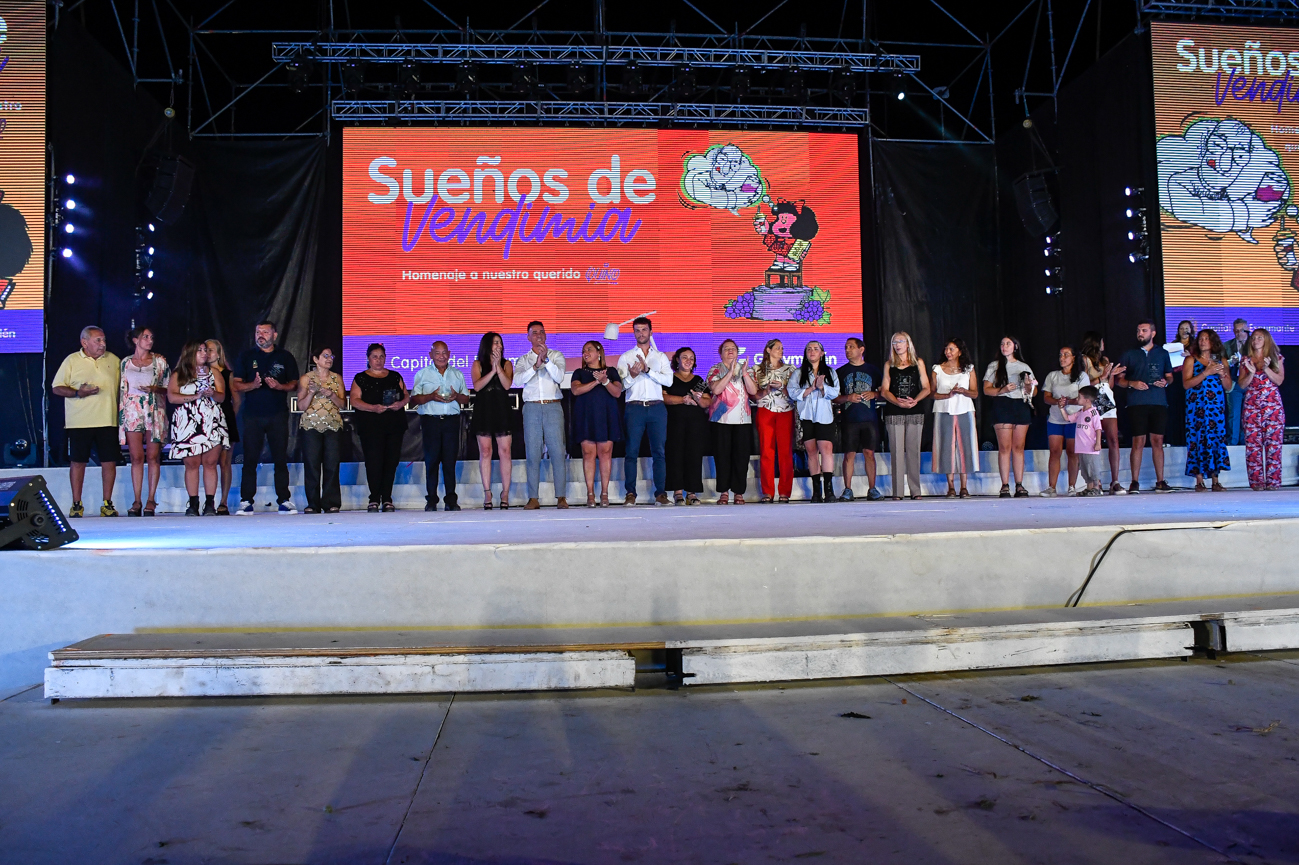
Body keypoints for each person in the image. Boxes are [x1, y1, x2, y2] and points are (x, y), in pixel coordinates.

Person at [51, 326, 121, 517]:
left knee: (109, 462)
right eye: (98, 340)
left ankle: (107, 504)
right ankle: (76, 504)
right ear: (84, 342)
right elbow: (57, 387)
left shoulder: (114, 360)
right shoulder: (72, 360)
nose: (103, 344)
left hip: (107, 420)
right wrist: (77, 393)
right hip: (79, 422)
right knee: (78, 462)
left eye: (104, 340)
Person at [231, 321, 300, 514]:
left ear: (274, 335)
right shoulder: (247, 356)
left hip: (277, 414)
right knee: (250, 458)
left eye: (265, 332)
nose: (260, 335)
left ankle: (284, 499)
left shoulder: (285, 357)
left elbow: (294, 384)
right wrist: (252, 385)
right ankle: (246, 500)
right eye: (258, 332)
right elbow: (236, 384)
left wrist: (280, 386)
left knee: (280, 458)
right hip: (252, 415)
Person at [167, 340, 229, 516]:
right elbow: (172, 397)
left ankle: (210, 503)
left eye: (205, 350)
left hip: (211, 420)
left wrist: (212, 393)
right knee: (192, 463)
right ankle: (193, 502)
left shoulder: (214, 372)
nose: (204, 353)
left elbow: (222, 397)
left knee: (210, 463)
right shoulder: (179, 373)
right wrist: (194, 396)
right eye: (200, 350)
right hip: (188, 422)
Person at [617, 317, 672, 506]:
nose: (641, 333)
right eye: (637, 330)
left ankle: (661, 493)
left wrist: (648, 371)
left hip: (657, 407)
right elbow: (621, 387)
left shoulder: (661, 357)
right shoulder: (626, 357)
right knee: (631, 451)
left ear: (651, 332)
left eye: (644, 329)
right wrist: (632, 376)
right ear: (633, 333)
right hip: (635, 408)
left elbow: (669, 381)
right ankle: (630, 493)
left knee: (659, 452)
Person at [350, 343, 410, 512]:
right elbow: (354, 400)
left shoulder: (395, 376)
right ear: (368, 359)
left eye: (381, 356)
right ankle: (374, 498)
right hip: (371, 426)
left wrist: (401, 404)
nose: (378, 360)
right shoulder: (360, 378)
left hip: (394, 424)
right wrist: (372, 408)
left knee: (391, 462)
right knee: (374, 462)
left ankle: (387, 498)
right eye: (375, 357)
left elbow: (406, 395)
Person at [515, 321, 569, 510]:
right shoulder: (523, 360)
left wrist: (546, 361)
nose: (538, 335)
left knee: (557, 452)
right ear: (528, 337)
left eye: (541, 332)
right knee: (532, 453)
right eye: (534, 333)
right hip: (532, 408)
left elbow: (559, 377)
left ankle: (561, 496)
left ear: (545, 336)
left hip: (553, 406)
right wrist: (535, 366)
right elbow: (518, 380)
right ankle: (533, 498)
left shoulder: (556, 355)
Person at [410, 341, 469, 512]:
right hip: (431, 421)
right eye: (437, 353)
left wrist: (457, 396)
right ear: (431, 355)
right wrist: (430, 397)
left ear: (449, 354)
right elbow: (414, 399)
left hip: (451, 421)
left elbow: (466, 398)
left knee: (450, 462)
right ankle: (431, 500)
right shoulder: (422, 374)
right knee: (432, 461)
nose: (441, 356)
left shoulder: (457, 374)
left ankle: (451, 500)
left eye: (444, 353)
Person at [1116, 320, 1174, 494]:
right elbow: (1119, 380)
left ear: (1153, 333)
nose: (1140, 333)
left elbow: (1170, 376)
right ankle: (1134, 481)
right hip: (1137, 402)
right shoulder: (1129, 354)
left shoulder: (1162, 353)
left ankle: (1160, 481)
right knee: (1138, 441)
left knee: (1158, 441)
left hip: (1158, 401)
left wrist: (1165, 382)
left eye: (1144, 330)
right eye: (1138, 330)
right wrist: (1132, 383)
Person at [118, 325, 169, 516]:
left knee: (153, 456)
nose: (150, 340)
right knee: (136, 457)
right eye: (145, 337)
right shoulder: (125, 363)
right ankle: (137, 500)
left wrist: (155, 389)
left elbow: (169, 388)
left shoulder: (159, 362)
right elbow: (122, 389)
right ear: (135, 340)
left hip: (153, 410)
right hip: (132, 411)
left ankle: (151, 499)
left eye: (151, 337)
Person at [983, 335, 1036, 499]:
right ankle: (1005, 485)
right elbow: (986, 389)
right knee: (1004, 447)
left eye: (1008, 343)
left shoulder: (1023, 366)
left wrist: (1029, 386)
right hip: (1003, 404)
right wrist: (1003, 390)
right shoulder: (994, 366)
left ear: (1015, 346)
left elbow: (1032, 391)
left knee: (1019, 447)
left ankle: (1019, 484)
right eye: (1002, 344)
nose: (1004, 346)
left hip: (1020, 405)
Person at [572, 340, 624, 506]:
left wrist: (605, 380)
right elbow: (576, 390)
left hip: (606, 416)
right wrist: (596, 381)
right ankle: (590, 494)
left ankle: (604, 493)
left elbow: (617, 392)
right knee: (588, 453)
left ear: (599, 352)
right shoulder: (579, 372)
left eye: (589, 349)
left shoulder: (611, 372)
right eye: (583, 351)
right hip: (586, 416)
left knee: (605, 452)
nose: (585, 353)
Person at [881, 332, 931, 500]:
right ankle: (898, 492)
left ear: (908, 344)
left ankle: (915, 490)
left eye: (900, 341)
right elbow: (884, 390)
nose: (897, 345)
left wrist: (915, 400)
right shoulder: (889, 364)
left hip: (914, 411)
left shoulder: (918, 363)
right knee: (896, 453)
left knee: (913, 452)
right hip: (895, 412)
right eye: (894, 342)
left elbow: (926, 387)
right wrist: (897, 402)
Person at [706, 339, 757, 504]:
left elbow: (753, 391)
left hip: (743, 420)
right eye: (726, 349)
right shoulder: (715, 369)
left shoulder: (746, 369)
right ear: (720, 353)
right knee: (722, 457)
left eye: (733, 348)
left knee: (741, 458)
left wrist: (744, 373)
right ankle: (724, 492)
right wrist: (729, 372)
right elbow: (716, 389)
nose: (730, 351)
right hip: (721, 420)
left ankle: (738, 492)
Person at [788, 341, 840, 503]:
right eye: (809, 349)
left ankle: (829, 490)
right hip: (807, 417)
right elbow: (792, 393)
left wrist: (822, 387)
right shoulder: (798, 373)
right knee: (811, 452)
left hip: (824, 416)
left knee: (826, 450)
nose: (812, 351)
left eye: (816, 349)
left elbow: (835, 392)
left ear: (822, 353)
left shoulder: (830, 372)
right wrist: (811, 388)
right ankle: (816, 491)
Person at [296, 346, 345, 514]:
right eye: (325, 356)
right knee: (312, 464)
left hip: (332, 425)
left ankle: (331, 502)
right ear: (316, 359)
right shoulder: (306, 378)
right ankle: (313, 503)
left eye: (331, 356)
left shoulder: (336, 378)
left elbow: (342, 404)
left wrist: (331, 395)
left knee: (332, 464)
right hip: (311, 425)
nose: (329, 359)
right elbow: (301, 406)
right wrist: (311, 393)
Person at [1182, 329, 1232, 492]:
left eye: (1206, 339)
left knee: (1215, 438)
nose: (1203, 341)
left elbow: (1228, 386)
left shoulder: (1220, 360)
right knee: (1197, 439)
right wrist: (1206, 373)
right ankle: (1199, 480)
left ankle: (1215, 480)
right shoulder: (1191, 359)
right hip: (1196, 408)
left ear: (1213, 342)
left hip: (1215, 408)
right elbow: (1186, 384)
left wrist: (1223, 374)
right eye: (1201, 339)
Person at [834, 337, 883, 502]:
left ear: (861, 349)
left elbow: (884, 392)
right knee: (849, 454)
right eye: (846, 347)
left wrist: (874, 394)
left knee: (869, 453)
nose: (847, 350)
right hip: (850, 419)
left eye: (851, 347)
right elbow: (834, 398)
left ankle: (872, 489)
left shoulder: (873, 370)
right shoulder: (840, 372)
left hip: (869, 418)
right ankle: (848, 489)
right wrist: (848, 397)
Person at [470, 332, 515, 510]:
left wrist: (499, 367)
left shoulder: (507, 364)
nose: (499, 346)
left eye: (500, 343)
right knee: (486, 451)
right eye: (496, 343)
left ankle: (505, 493)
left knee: (505, 451)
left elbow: (507, 385)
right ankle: (487, 492)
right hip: (484, 410)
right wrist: (492, 371)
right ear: (487, 345)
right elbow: (477, 386)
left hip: (502, 409)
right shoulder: (477, 364)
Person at [1239, 328, 1287, 491]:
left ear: (1266, 340)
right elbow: (1242, 384)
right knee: (1253, 446)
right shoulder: (1246, 360)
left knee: (1273, 444)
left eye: (1259, 337)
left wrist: (1266, 368)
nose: (1255, 341)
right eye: (1253, 338)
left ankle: (1273, 482)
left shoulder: (1275, 358)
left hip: (1272, 407)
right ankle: (1257, 482)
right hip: (1252, 406)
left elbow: (1279, 380)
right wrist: (1251, 373)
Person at [930, 338, 978, 499]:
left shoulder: (969, 369)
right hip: (944, 410)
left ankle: (964, 486)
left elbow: (975, 393)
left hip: (964, 409)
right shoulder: (937, 369)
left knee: (965, 446)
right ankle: (950, 486)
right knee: (946, 447)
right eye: (946, 349)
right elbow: (932, 393)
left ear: (960, 351)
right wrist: (948, 395)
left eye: (952, 349)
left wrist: (964, 391)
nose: (948, 352)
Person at [1041, 345, 1090, 497]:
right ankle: (1051, 487)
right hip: (1056, 419)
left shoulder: (1082, 376)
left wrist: (1068, 402)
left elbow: (1084, 398)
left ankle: (1072, 486)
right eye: (1060, 355)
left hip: (1074, 419)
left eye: (1066, 355)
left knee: (1072, 452)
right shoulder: (1052, 376)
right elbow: (1046, 397)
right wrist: (1058, 402)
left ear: (1074, 357)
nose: (1062, 358)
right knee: (1054, 451)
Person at [664, 347, 711, 505]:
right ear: (677, 359)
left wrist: (697, 399)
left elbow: (707, 402)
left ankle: (692, 492)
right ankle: (677, 492)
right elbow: (663, 398)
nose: (688, 361)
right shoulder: (669, 378)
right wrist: (683, 400)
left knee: (694, 456)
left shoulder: (698, 380)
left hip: (695, 424)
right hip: (674, 423)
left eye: (691, 358)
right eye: (685, 357)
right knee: (675, 455)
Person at [1080, 332, 1125, 495]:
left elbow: (1109, 384)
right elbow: (1084, 384)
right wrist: (1102, 377)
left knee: (1113, 439)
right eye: (1101, 341)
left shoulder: (1105, 360)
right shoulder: (1084, 359)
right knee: (1092, 441)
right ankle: (1095, 481)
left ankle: (1115, 481)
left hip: (1106, 399)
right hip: (1092, 399)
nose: (1103, 344)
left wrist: (1111, 375)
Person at [752, 338, 795, 503]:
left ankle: (785, 491)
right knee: (766, 451)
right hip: (765, 410)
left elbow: (795, 393)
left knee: (785, 452)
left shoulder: (791, 369)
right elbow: (753, 395)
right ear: (768, 350)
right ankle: (767, 492)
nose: (781, 350)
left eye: (782, 348)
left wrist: (782, 387)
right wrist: (766, 390)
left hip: (785, 411)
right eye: (777, 348)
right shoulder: (757, 369)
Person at [205, 339, 238, 514]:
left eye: (211, 350)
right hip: (205, 421)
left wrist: (229, 418)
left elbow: (237, 400)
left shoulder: (227, 374)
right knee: (208, 461)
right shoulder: (199, 373)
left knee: (224, 462)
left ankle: (223, 501)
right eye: (205, 350)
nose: (207, 353)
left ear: (218, 353)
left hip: (224, 419)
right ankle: (207, 500)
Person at [1222, 318, 1251, 446]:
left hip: (1251, 383)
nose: (1239, 333)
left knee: (1249, 414)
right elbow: (1222, 365)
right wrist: (1230, 362)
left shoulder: (1254, 344)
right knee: (1234, 414)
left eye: (1241, 330)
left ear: (1247, 330)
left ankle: (1246, 442)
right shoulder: (1227, 346)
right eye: (1236, 331)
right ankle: (1233, 443)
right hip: (1234, 383)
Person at [1073, 386, 1105, 497]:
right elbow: (1068, 418)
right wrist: (1061, 408)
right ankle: (1089, 487)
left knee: (1092, 467)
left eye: (1079, 397)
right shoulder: (1081, 412)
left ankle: (1096, 487)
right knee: (1085, 468)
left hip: (1090, 447)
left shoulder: (1093, 413)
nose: (1077, 399)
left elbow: (1098, 428)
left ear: (1087, 400)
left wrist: (1098, 443)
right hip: (1081, 447)